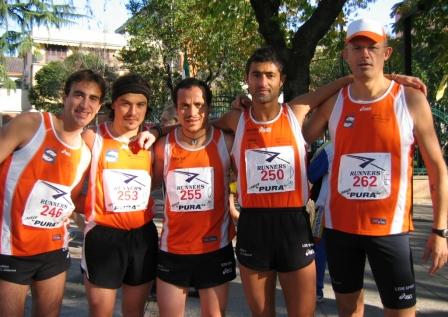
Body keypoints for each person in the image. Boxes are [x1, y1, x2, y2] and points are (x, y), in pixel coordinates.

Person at [302, 18, 448, 316]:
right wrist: (343, 82)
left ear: (387, 53)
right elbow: (296, 127)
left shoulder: (409, 98)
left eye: (372, 47)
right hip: (340, 229)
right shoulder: (335, 102)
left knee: (400, 312)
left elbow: (437, 168)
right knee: (348, 310)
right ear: (346, 55)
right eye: (357, 48)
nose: (364, 54)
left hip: (389, 231)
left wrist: (440, 230)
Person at [0, 69, 106, 317]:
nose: (85, 104)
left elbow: (68, 201)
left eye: (93, 98)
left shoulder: (86, 152)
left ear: (99, 105)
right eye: (79, 95)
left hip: (53, 250)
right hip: (11, 248)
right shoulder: (32, 124)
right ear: (65, 97)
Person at [152, 77, 236, 317]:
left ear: (208, 107)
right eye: (184, 106)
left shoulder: (226, 143)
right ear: (176, 109)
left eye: (199, 105)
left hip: (215, 248)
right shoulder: (162, 147)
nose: (192, 112)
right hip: (173, 249)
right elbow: (147, 184)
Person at [80, 73, 158, 317]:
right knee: (101, 312)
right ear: (113, 104)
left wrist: (159, 129)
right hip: (103, 237)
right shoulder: (93, 139)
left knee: (134, 312)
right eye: (125, 103)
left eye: (140, 105)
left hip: (142, 236)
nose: (132, 111)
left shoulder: (152, 144)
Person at [307, 141, 333, 303]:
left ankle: (316, 289)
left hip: (325, 209)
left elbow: (311, 174)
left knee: (319, 248)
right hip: (355, 211)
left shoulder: (331, 147)